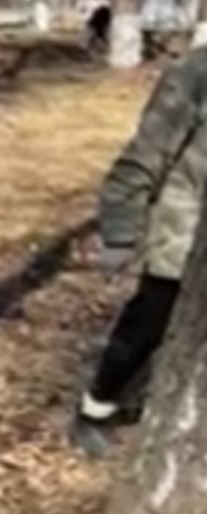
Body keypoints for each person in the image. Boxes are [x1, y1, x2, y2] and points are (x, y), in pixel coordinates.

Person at [70, 47, 207, 459]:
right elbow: (143, 157)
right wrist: (120, 233)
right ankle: (95, 410)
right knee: (149, 323)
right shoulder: (197, 72)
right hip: (185, 234)